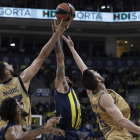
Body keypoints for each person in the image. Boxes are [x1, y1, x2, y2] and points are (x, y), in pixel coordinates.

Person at [62, 35, 140, 140]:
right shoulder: (104, 97)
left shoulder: (91, 93)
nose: (97, 71)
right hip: (118, 137)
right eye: (95, 72)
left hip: (118, 135)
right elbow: (120, 121)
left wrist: (72, 48)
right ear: (97, 80)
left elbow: (83, 69)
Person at [0, 19, 71, 130]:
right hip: (19, 132)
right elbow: (42, 56)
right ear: (7, 72)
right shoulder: (21, 80)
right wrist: (57, 34)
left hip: (5, 133)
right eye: (8, 65)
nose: (11, 65)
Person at [52, 22, 81, 140]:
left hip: (73, 133)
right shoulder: (61, 88)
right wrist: (56, 35)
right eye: (63, 77)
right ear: (57, 83)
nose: (66, 77)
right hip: (65, 133)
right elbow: (60, 59)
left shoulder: (70, 91)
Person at [0, 97, 65, 140]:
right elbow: (19, 138)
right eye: (20, 104)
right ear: (18, 111)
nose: (23, 105)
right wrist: (46, 128)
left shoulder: (15, 126)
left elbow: (31, 127)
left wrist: (50, 129)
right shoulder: (13, 127)